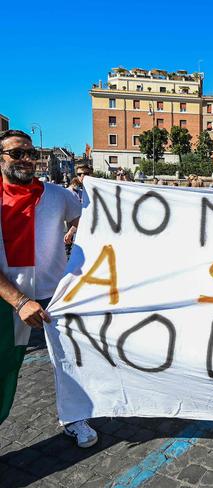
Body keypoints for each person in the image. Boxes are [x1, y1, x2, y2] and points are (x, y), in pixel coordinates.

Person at [0, 130, 98, 447]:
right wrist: (18, 301)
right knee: (5, 366)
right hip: (10, 301)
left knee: (68, 360)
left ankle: (75, 418)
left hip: (55, 297)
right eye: (17, 153)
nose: (26, 159)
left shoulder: (57, 195)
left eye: (31, 153)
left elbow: (91, 216)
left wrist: (73, 235)